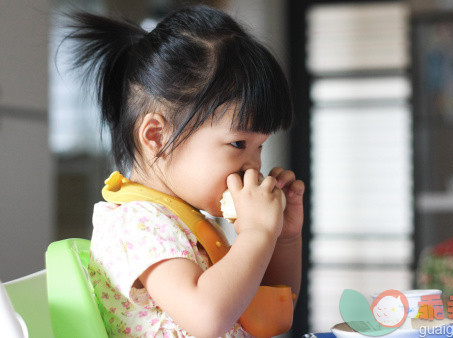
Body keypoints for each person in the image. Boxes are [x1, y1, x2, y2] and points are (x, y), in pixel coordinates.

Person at [65, 5, 304, 337]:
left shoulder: (188, 225)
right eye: (238, 144)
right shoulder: (136, 224)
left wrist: (283, 237)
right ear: (156, 136)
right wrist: (257, 234)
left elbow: (273, 314)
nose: (255, 165)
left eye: (260, 146)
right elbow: (207, 319)